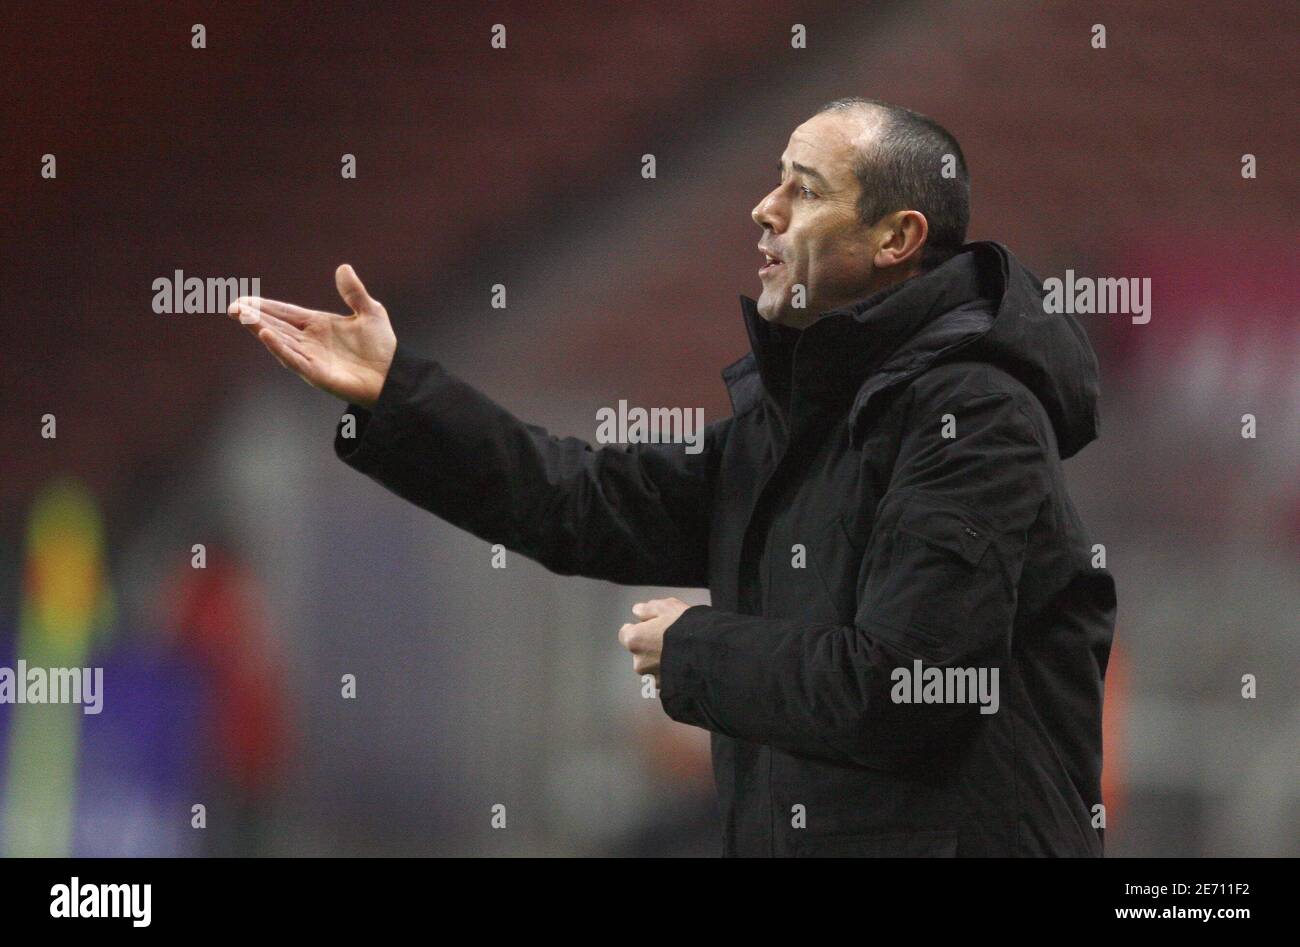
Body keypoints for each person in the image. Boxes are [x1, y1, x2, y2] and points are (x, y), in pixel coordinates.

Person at [229, 97, 1116, 857]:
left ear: (896, 236)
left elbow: (901, 684)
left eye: (804, 189)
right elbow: (578, 499)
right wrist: (398, 395)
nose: (763, 209)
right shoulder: (795, 423)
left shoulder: (976, 416)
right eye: (775, 178)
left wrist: (697, 649)